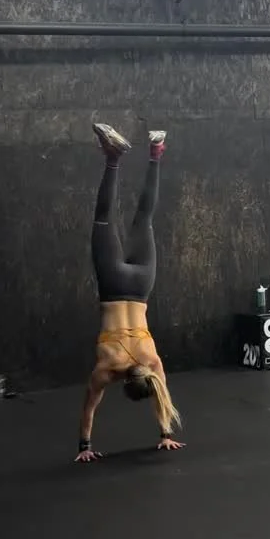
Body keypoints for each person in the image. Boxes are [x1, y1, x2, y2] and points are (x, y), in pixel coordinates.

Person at [75, 123, 185, 463]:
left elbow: (162, 398)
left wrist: (166, 435)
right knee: (103, 218)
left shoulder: (153, 363)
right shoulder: (107, 369)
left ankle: (156, 151)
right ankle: (113, 157)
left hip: (140, 286)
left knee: (144, 218)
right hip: (112, 285)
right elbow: (89, 409)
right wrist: (84, 447)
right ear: (124, 384)